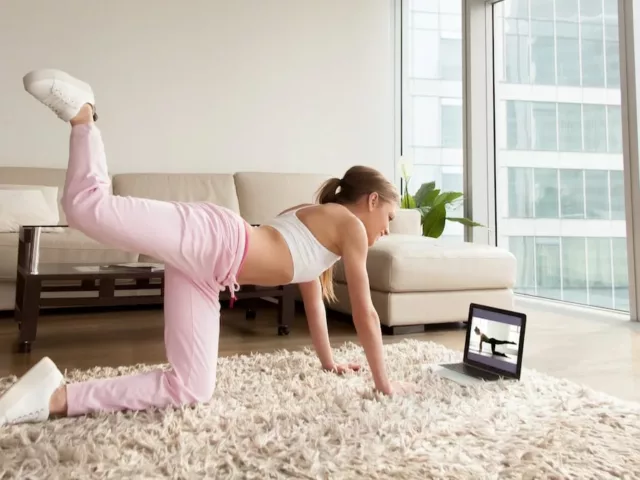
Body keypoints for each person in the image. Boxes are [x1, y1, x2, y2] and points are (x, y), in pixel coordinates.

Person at [0, 69, 418, 427]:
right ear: (372, 201)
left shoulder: (322, 224)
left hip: (209, 272)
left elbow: (311, 298)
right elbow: (364, 311)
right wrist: (384, 383)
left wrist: (329, 363)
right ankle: (84, 116)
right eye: (389, 220)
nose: (385, 231)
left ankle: (58, 397)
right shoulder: (349, 226)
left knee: (192, 387)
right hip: (215, 238)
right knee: (86, 208)